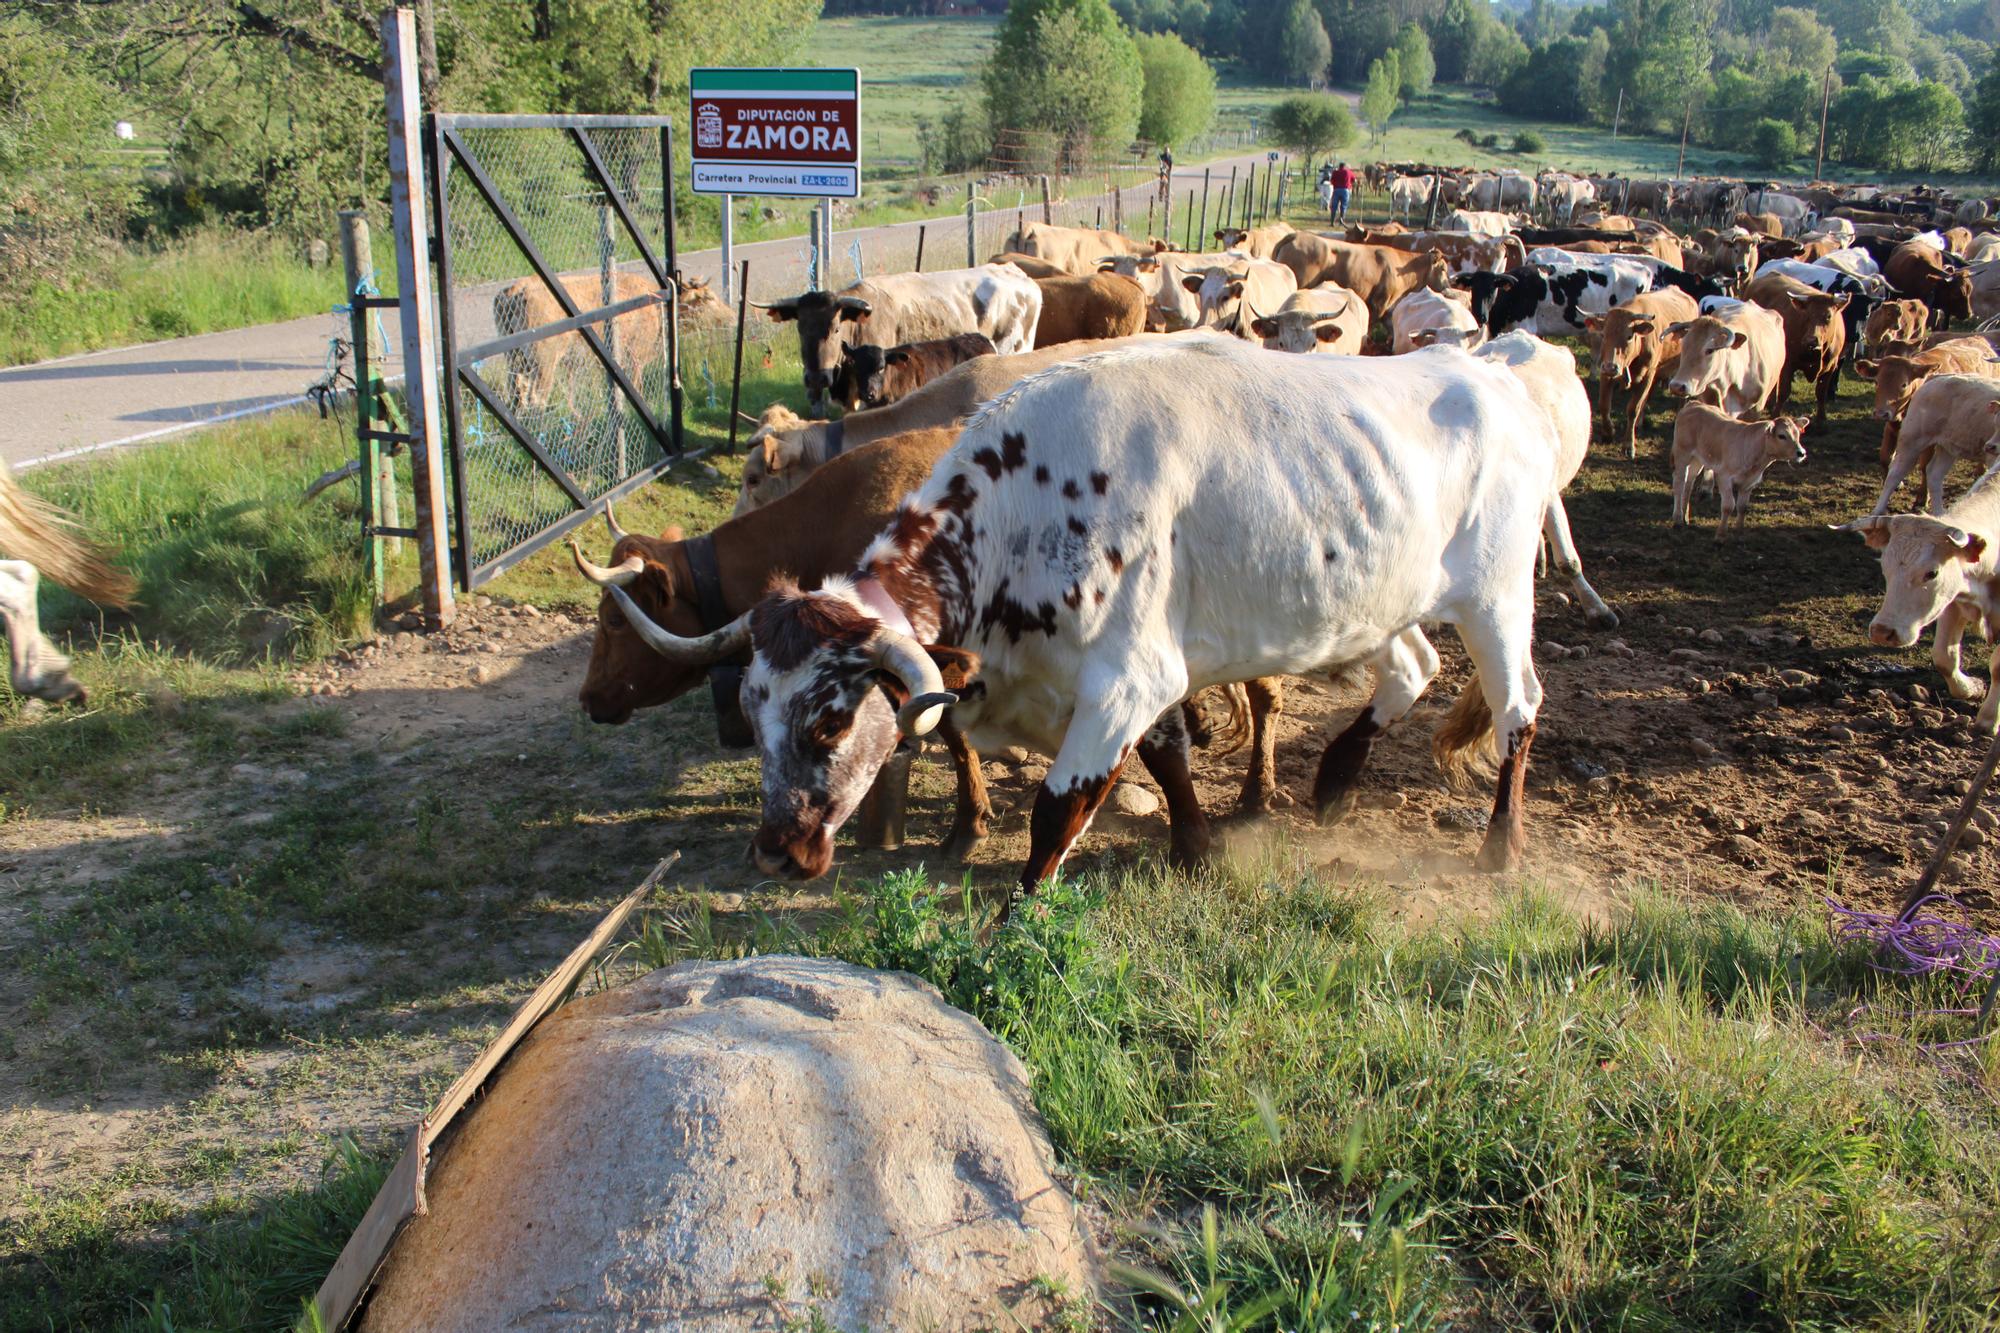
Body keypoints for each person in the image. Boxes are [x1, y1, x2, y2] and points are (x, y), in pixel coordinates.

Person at [1329, 160, 1357, 225]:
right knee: (1343, 206)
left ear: (1339, 166)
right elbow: (1354, 180)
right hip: (1345, 190)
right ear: (1344, 166)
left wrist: (1335, 184)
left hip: (1336, 190)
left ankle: (1332, 222)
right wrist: (1350, 184)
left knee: (1334, 206)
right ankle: (1341, 222)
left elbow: (1331, 180)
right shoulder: (1349, 172)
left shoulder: (1335, 172)